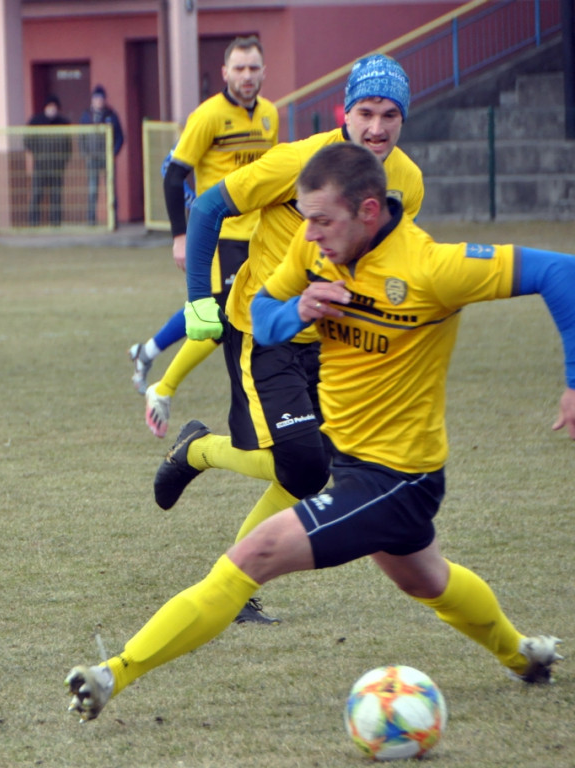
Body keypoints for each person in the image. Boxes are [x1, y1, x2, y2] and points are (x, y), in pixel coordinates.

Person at [66, 141, 571, 722]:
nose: (309, 234)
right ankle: (523, 656)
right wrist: (299, 312)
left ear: (369, 212)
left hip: (398, 477)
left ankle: (113, 673)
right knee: (428, 579)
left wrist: (574, 381)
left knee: (250, 555)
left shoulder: (432, 267)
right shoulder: (317, 257)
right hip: (353, 463)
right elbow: (262, 314)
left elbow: (561, 272)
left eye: (321, 220)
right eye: (305, 219)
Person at [153, 54, 423, 623]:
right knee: (300, 466)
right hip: (265, 329)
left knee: (314, 466)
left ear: (404, 119)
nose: (377, 128)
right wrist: (199, 297)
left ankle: (231, 564)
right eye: (366, 112)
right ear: (344, 113)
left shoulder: (409, 183)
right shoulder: (299, 162)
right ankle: (201, 463)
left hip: (332, 339)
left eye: (390, 115)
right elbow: (208, 206)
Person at [130, 37, 278, 442]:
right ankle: (165, 387)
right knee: (218, 324)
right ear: (225, 72)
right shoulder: (208, 116)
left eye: (253, 68)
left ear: (264, 73)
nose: (247, 76)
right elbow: (174, 174)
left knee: (250, 323)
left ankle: (156, 365)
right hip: (221, 237)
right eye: (239, 68)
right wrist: (181, 235)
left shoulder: (270, 115)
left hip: (261, 239)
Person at [79, 85, 124, 224]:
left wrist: (113, 153)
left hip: (108, 158)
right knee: (92, 189)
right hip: (92, 158)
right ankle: (91, 220)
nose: (99, 101)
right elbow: (81, 137)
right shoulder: (86, 115)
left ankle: (113, 220)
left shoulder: (111, 115)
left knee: (111, 189)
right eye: (96, 98)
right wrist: (85, 154)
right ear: (92, 100)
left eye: (101, 98)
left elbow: (120, 137)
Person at [24, 95, 71, 227]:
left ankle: (56, 223)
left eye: (54, 107)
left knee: (56, 196)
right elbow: (27, 140)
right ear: (45, 108)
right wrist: (38, 154)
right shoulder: (36, 121)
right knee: (37, 194)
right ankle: (33, 223)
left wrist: (63, 160)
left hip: (57, 166)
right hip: (40, 165)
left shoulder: (63, 122)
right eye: (50, 107)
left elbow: (68, 145)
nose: (52, 110)